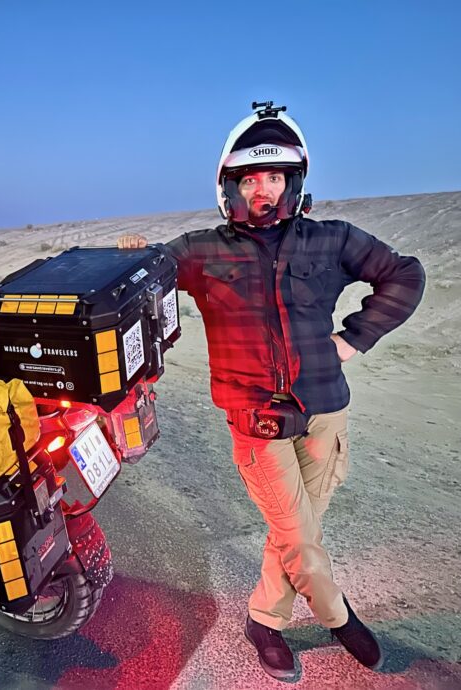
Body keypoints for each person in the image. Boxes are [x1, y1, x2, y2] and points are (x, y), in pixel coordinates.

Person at [118, 102, 425, 681]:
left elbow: (405, 273)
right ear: (230, 185)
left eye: (276, 177)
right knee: (297, 531)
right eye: (252, 178)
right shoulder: (200, 250)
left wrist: (354, 339)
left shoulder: (333, 240)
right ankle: (340, 619)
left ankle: (264, 620)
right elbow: (140, 282)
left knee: (296, 531)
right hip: (254, 417)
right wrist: (133, 257)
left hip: (325, 412)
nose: (264, 190)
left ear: (295, 181)